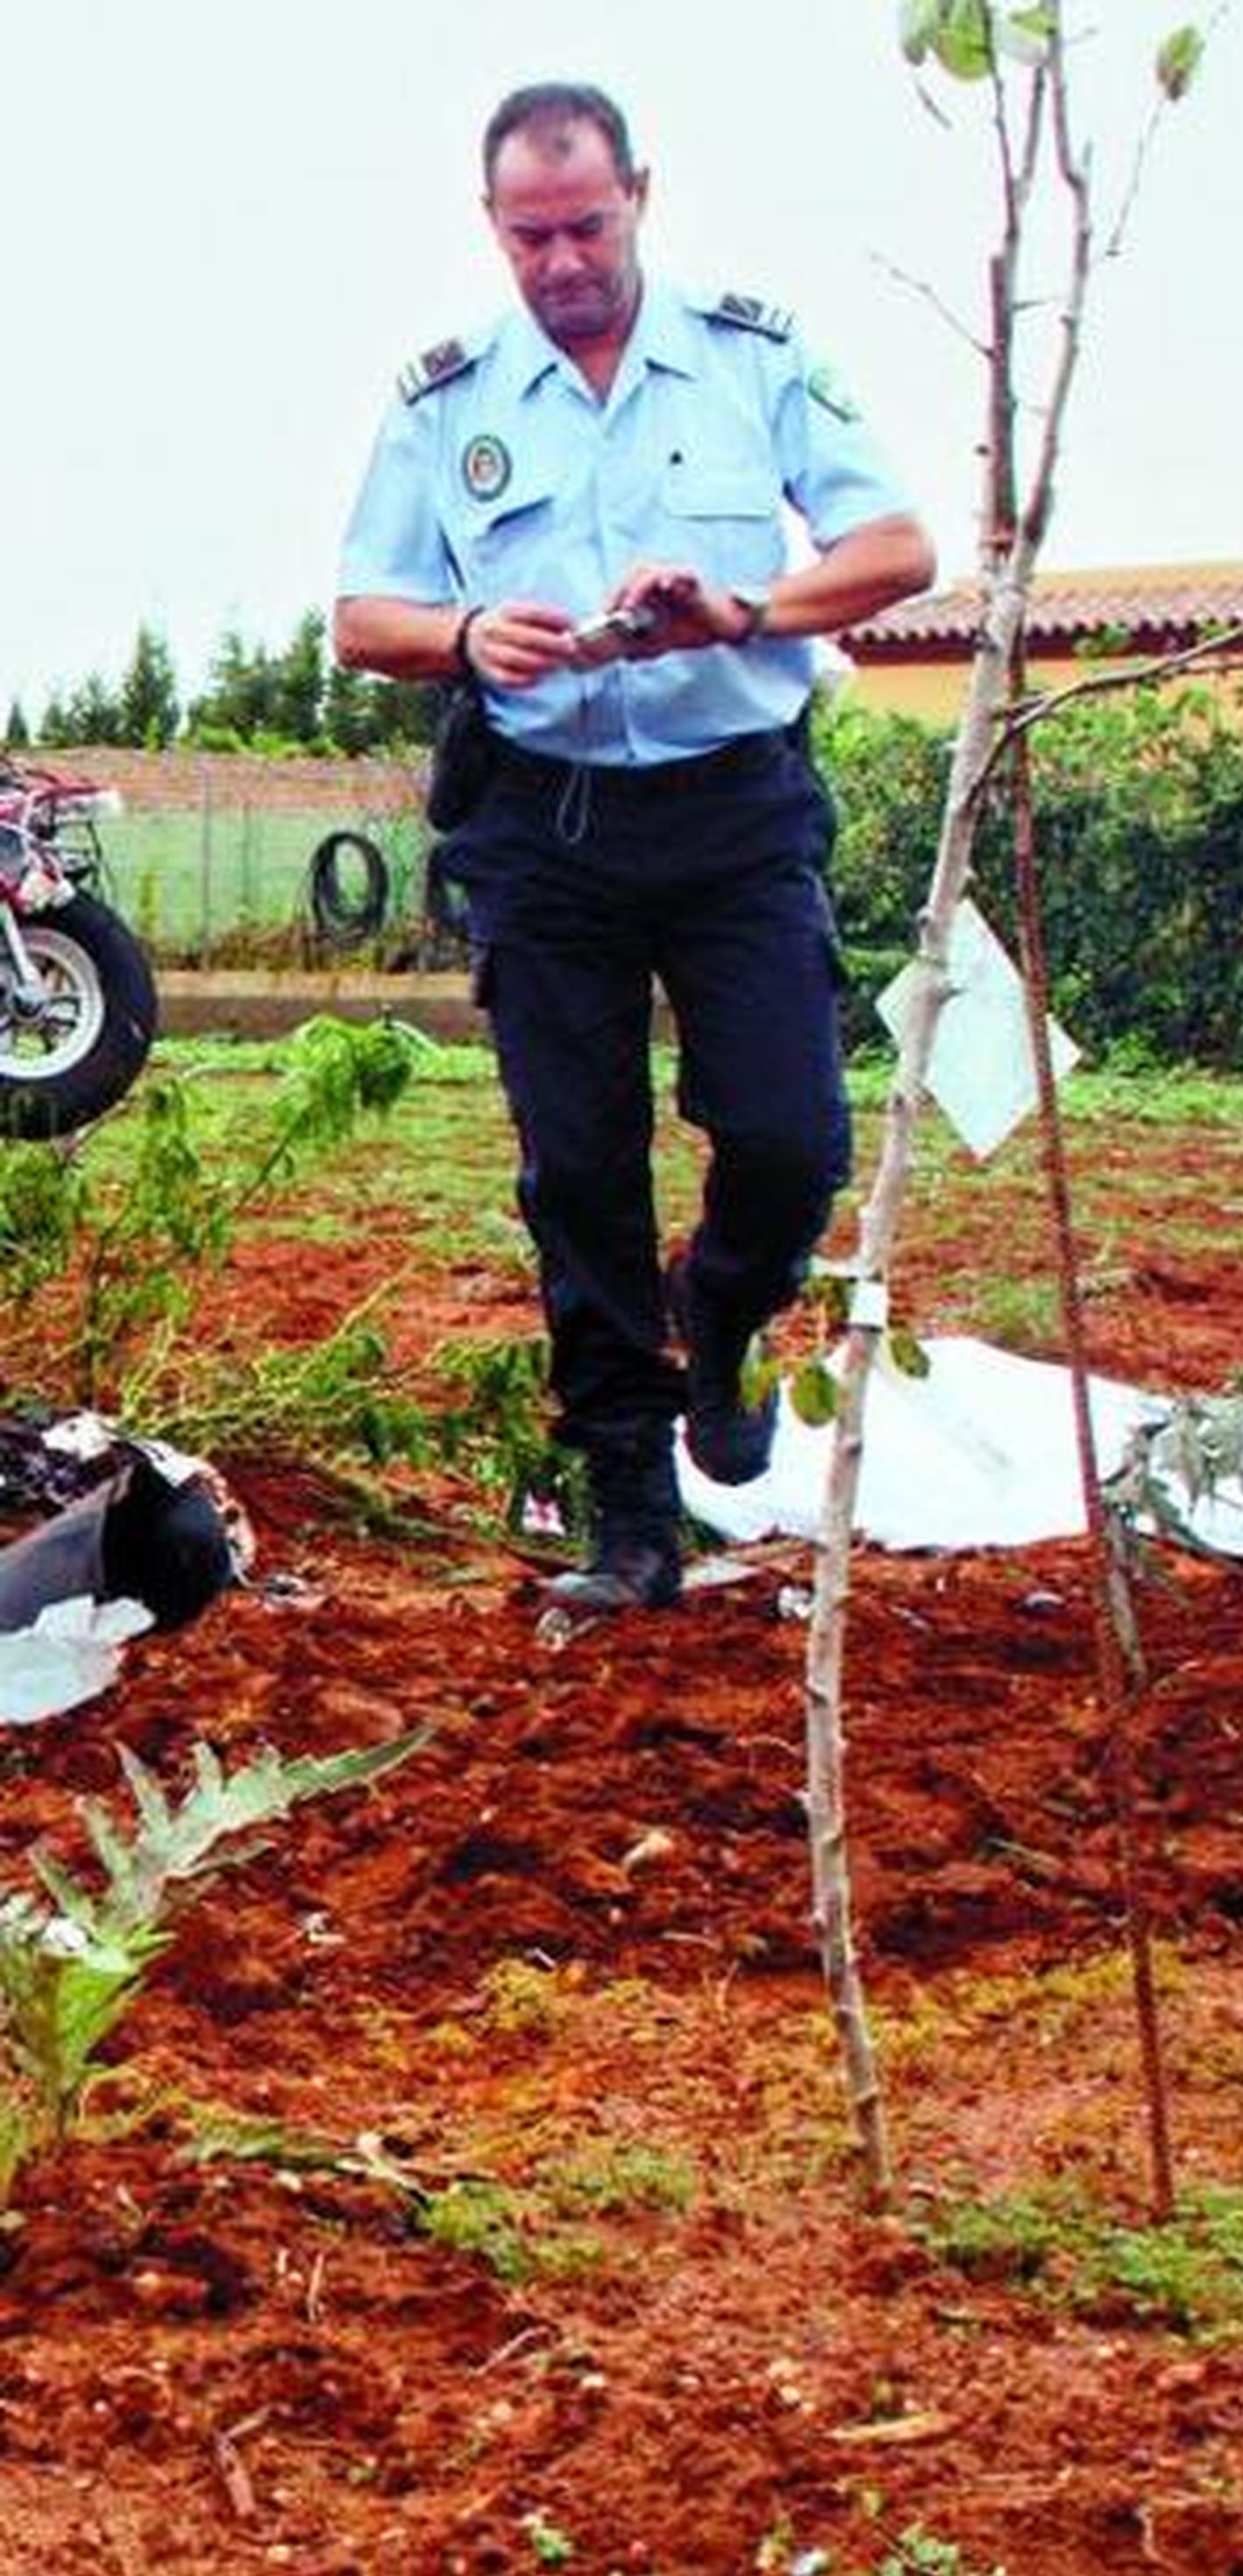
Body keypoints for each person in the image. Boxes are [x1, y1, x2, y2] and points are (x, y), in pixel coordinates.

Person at [335, 80, 935, 1613]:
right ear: (494, 227)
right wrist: (473, 635)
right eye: (528, 235)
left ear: (640, 198)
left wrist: (745, 611)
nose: (558, 262)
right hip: (544, 826)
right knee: (581, 1166)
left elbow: (897, 546)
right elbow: (361, 617)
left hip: (734, 805)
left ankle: (720, 1314)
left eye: (585, 225)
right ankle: (629, 1509)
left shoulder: (752, 355)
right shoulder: (446, 398)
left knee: (792, 1139)